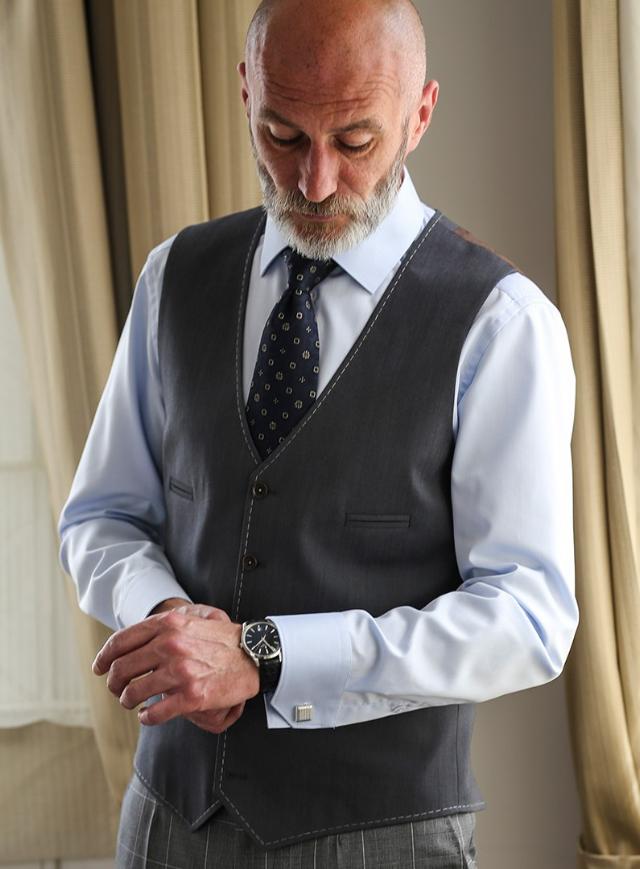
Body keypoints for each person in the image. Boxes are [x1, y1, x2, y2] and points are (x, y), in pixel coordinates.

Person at [58, 0, 579, 866]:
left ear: (420, 113)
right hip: (165, 818)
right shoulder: (173, 276)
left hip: (381, 836)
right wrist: (167, 618)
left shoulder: (502, 323)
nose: (315, 182)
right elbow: (101, 516)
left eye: (356, 140)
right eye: (283, 135)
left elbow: (527, 616)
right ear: (246, 92)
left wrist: (263, 654)